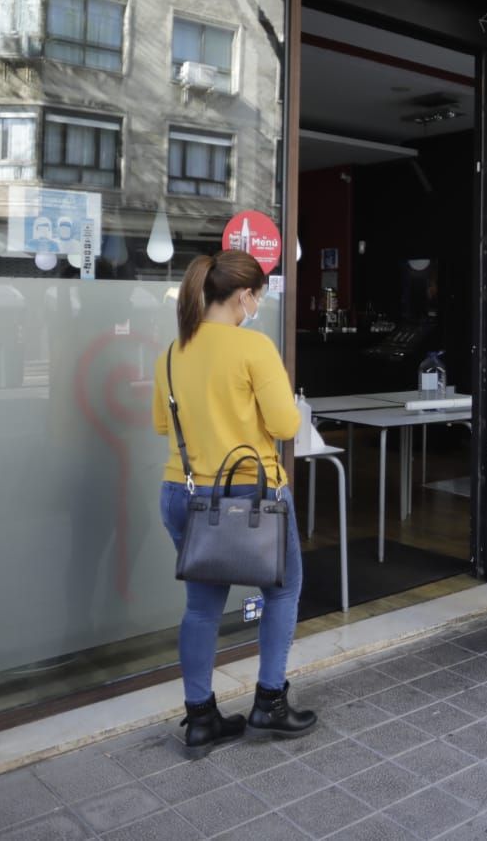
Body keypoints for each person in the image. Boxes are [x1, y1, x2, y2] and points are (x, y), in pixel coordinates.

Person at [152, 250, 316, 754]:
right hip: (252, 494)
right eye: (258, 296)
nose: (257, 306)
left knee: (201, 607)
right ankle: (268, 703)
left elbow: (163, 425)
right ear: (245, 295)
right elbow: (287, 426)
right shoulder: (254, 347)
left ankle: (201, 718)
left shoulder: (172, 352)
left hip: (185, 493)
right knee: (282, 591)